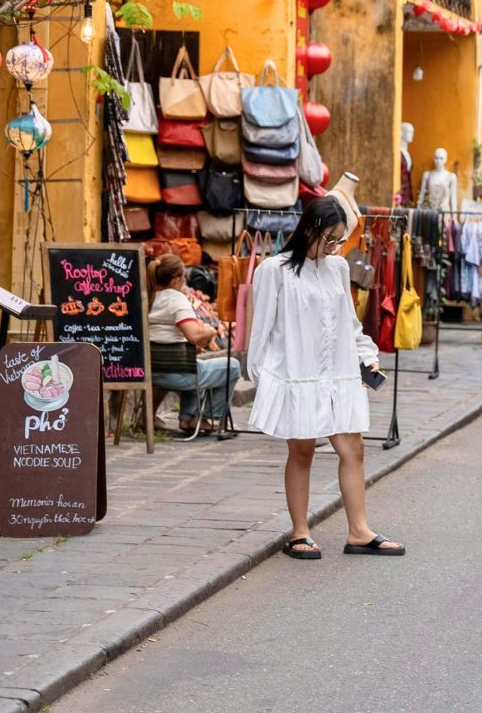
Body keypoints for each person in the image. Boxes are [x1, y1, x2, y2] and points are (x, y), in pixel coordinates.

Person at [245, 195, 405, 561]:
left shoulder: (338, 269)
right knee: (301, 451)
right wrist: (264, 379)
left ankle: (359, 531)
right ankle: (300, 532)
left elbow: (349, 322)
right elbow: (262, 331)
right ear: (309, 229)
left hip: (339, 374)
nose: (333, 247)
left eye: (338, 241)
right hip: (297, 375)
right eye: (329, 239)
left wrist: (367, 356)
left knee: (354, 448)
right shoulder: (274, 271)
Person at [146, 253, 242, 436]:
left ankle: (188, 417)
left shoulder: (148, 298)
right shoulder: (175, 300)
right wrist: (211, 331)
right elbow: (194, 336)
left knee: (198, 365)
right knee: (232, 366)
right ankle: (206, 418)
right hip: (178, 374)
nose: (184, 281)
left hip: (153, 373)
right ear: (175, 280)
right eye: (183, 277)